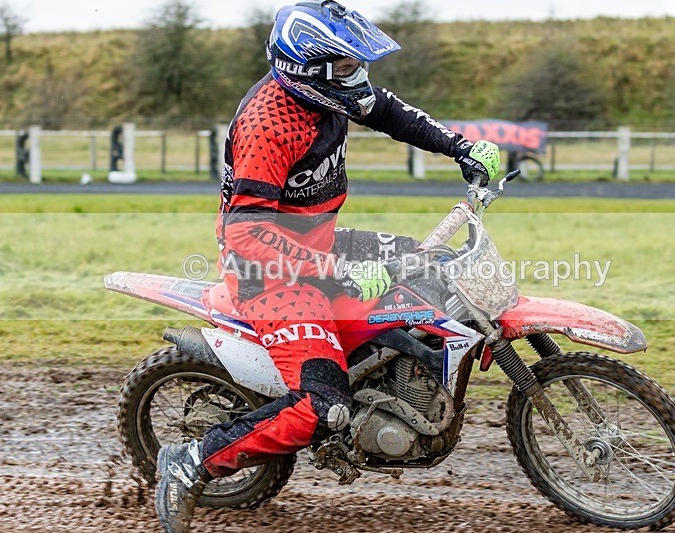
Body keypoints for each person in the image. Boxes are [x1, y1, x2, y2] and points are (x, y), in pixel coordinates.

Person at [154, 2, 500, 531]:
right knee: (322, 405)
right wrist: (337, 272)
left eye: (357, 64)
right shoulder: (269, 126)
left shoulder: (331, 95)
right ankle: (193, 460)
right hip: (268, 273)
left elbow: (388, 112)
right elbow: (247, 232)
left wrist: (460, 147)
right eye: (345, 66)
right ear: (307, 69)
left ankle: (396, 387)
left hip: (320, 244)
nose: (357, 77)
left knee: (432, 267)